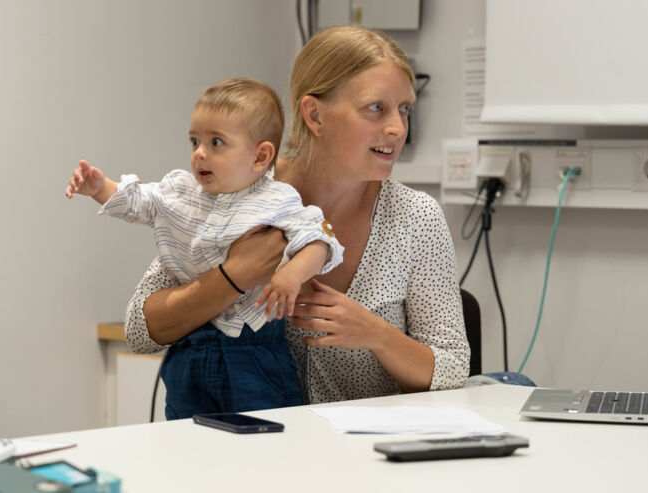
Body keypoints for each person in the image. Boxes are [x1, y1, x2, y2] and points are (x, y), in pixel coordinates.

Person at [125, 26, 470, 408]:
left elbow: (453, 368)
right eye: (376, 108)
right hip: (250, 449)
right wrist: (233, 276)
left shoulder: (416, 217)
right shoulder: (236, 193)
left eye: (405, 109)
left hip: (364, 456)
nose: (397, 128)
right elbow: (140, 330)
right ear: (314, 115)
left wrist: (375, 334)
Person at [65, 77, 344, 419]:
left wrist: (291, 274)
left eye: (216, 142)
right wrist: (100, 187)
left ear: (260, 156)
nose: (199, 153)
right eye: (195, 140)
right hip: (190, 347)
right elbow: (141, 201)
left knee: (267, 441)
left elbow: (318, 239)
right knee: (186, 439)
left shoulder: (277, 199)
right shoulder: (181, 191)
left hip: (254, 352)